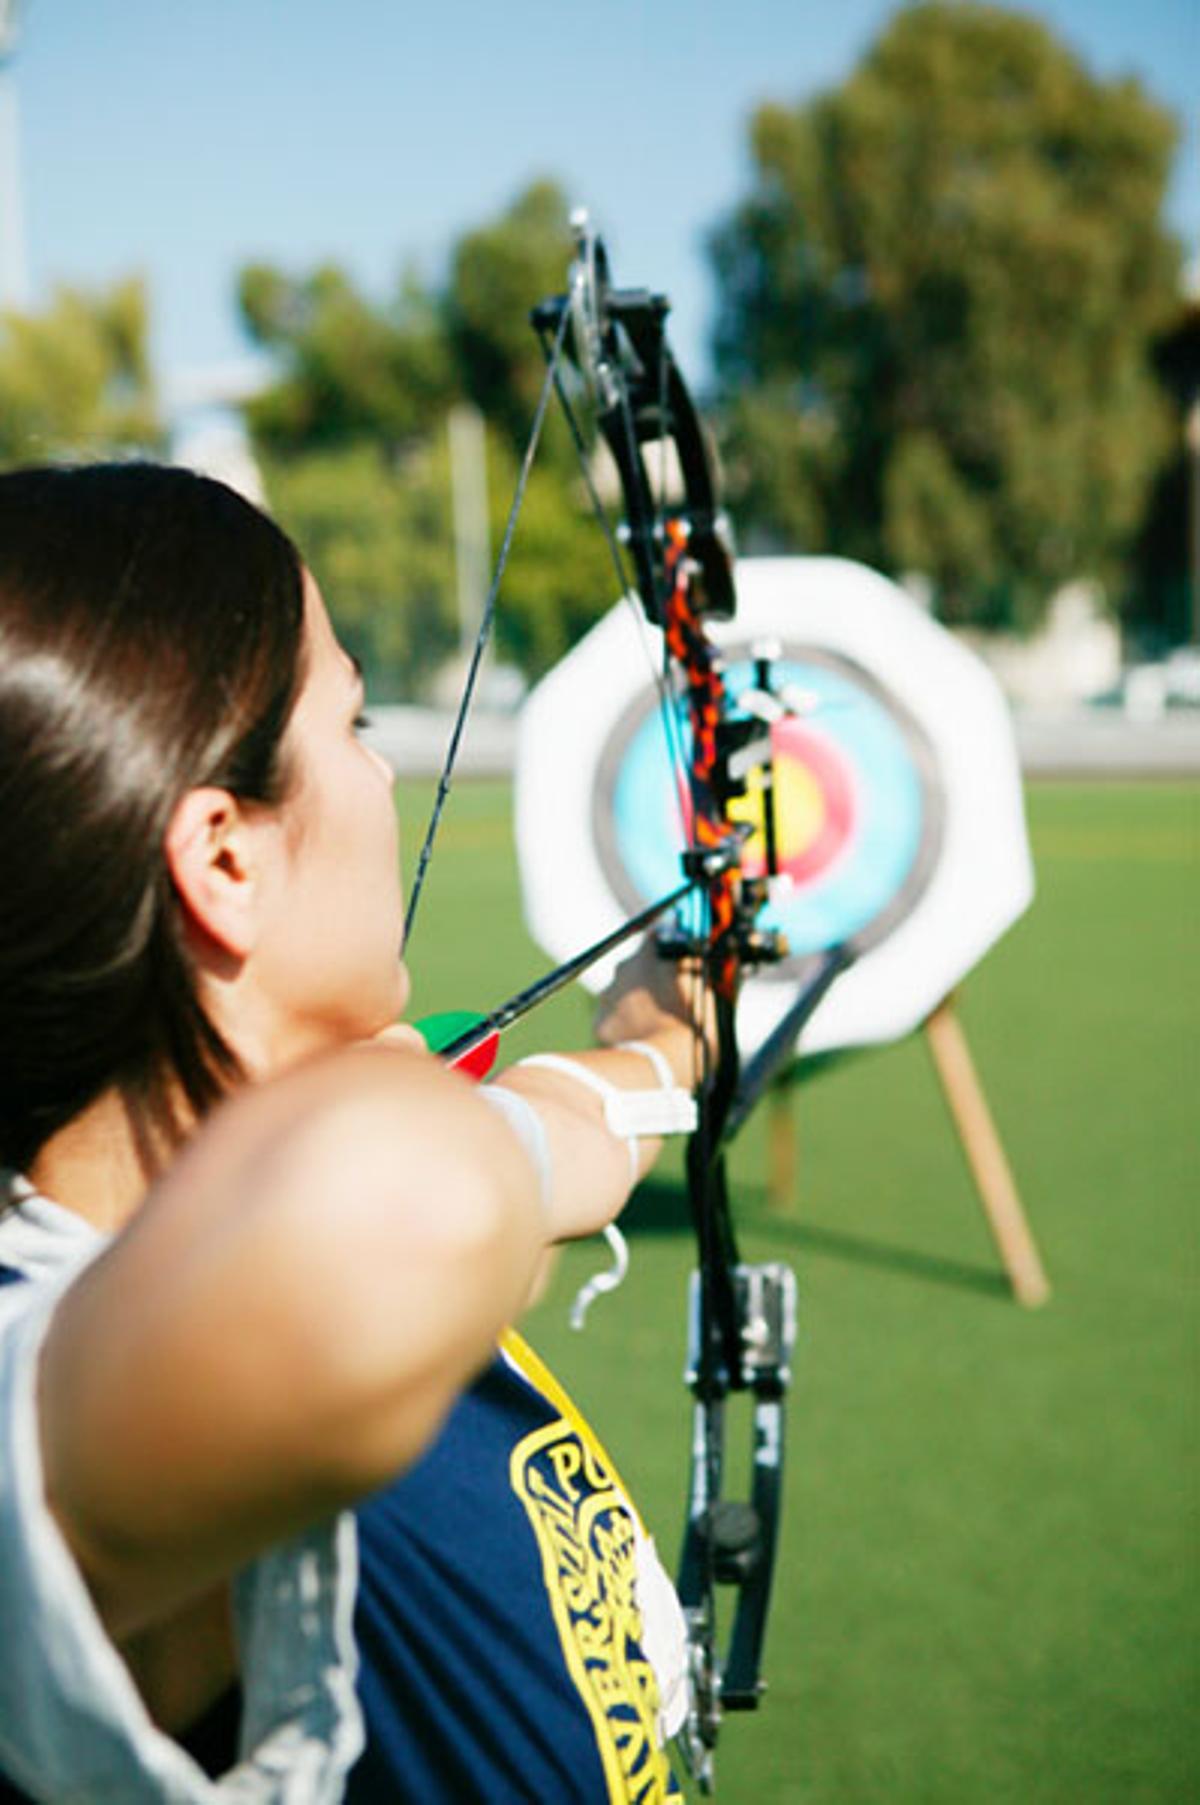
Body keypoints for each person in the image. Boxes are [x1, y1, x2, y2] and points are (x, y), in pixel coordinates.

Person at [0, 463, 702, 1803]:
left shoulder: (356, 1155)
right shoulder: (40, 1377)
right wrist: (412, 1110)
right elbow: (414, 1206)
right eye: (358, 720)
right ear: (225, 860)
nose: (386, 769)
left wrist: (660, 1046)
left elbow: (562, 1136)